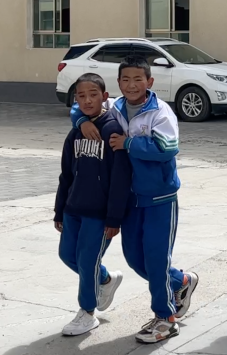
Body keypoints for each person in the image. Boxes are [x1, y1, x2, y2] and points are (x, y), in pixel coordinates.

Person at [72, 56, 198, 343]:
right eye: (126, 79)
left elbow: (167, 148)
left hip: (159, 198)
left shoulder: (160, 112)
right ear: (118, 83)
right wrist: (81, 121)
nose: (131, 85)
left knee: (155, 259)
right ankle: (181, 281)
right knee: (135, 259)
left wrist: (129, 143)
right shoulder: (115, 107)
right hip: (130, 198)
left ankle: (166, 319)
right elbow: (81, 105)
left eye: (138, 79)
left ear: (149, 82)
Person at [54, 73, 132, 336]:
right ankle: (106, 279)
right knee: (67, 255)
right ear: (75, 100)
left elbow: (120, 178)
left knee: (87, 262)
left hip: (99, 214)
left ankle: (87, 313)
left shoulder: (112, 131)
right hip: (73, 209)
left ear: (104, 97)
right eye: (81, 96)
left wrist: (114, 217)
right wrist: (59, 209)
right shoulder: (75, 133)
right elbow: (66, 175)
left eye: (93, 95)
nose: (87, 100)